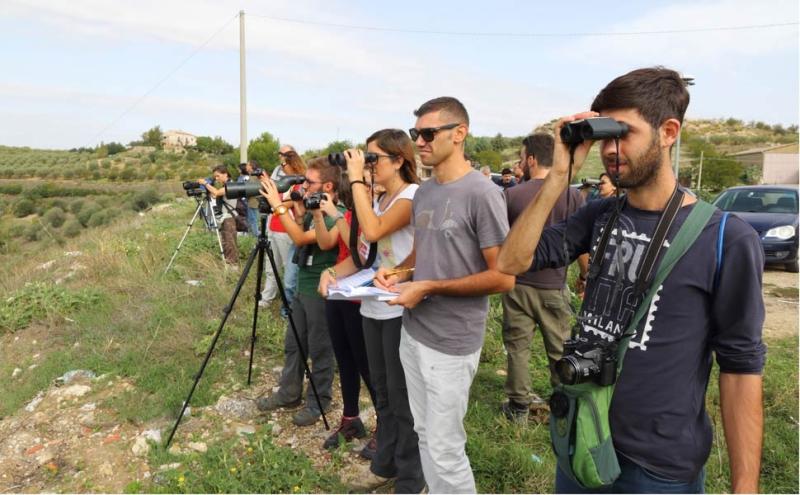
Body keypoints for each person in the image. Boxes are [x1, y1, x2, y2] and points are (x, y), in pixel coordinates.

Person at [498, 67, 765, 493]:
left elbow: (741, 368)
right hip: (582, 433)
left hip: (656, 466)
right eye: (604, 135)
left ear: (668, 131)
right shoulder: (599, 214)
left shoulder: (726, 239)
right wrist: (557, 179)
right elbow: (511, 262)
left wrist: (744, 487)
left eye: (624, 133)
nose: (609, 149)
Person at [375, 97, 514, 493]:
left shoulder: (483, 193)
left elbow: (503, 277)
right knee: (424, 434)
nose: (418, 141)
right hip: (414, 331)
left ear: (459, 134)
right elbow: (425, 253)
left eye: (428, 133)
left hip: (451, 343)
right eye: (416, 133)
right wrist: (400, 272)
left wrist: (429, 287)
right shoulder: (425, 192)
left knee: (445, 447)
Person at [319, 129, 425, 493]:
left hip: (399, 308)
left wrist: (356, 181)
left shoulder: (412, 197)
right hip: (372, 308)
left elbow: (375, 228)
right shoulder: (379, 201)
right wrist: (333, 271)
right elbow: (366, 255)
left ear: (399, 160)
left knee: (402, 397)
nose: (368, 165)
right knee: (382, 392)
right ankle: (386, 463)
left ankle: (412, 477)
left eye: (374, 159)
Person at [500, 133, 589, 422]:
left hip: (518, 284)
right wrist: (585, 275)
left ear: (532, 159)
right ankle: (565, 405)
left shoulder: (512, 195)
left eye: (523, 156)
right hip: (554, 286)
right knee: (560, 348)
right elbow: (581, 242)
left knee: (517, 347)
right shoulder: (572, 195)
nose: (522, 162)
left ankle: (518, 407)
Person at [255, 158, 340, 427]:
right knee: (294, 344)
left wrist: (279, 206)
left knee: (320, 347)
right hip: (303, 286)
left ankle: (319, 400)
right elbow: (302, 236)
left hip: (321, 290)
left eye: (309, 182)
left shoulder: (339, 212)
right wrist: (300, 214)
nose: (303, 185)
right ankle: (289, 393)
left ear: (328, 185)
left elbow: (303, 240)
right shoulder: (314, 208)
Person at [311, 170, 379, 455]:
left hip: (360, 297)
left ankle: (384, 424)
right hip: (339, 290)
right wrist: (317, 213)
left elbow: (360, 253)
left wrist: (336, 216)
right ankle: (351, 418)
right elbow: (327, 243)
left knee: (367, 365)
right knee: (345, 360)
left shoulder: (369, 216)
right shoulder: (350, 213)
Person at [261, 147, 306, 314]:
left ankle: (290, 305)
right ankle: (267, 298)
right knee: (270, 266)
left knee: (289, 270)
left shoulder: (299, 183)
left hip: (287, 230)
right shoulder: (283, 181)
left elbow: (289, 204)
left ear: (292, 163)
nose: (282, 167)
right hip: (273, 227)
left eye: (284, 164)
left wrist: (275, 202)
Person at [199, 165, 239, 267]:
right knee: (226, 241)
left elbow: (216, 192)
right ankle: (229, 263)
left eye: (218, 176)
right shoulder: (226, 185)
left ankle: (232, 265)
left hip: (229, 217)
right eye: (215, 177)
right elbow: (215, 195)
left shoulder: (231, 185)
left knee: (230, 242)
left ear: (225, 174)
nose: (216, 179)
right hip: (225, 217)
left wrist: (205, 183)